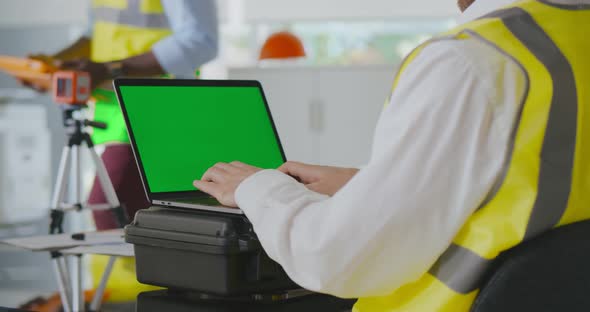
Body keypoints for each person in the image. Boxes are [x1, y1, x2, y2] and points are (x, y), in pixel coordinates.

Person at [192, 0, 590, 311]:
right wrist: (368, 185)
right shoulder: (570, 37)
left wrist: (259, 186)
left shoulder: (470, 61)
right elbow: (540, 183)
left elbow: (335, 258)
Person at [27, 0, 218, 230]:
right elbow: (95, 33)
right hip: (113, 114)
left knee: (114, 210)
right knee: (120, 216)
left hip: (156, 113)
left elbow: (199, 40)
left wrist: (111, 69)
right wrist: (52, 67)